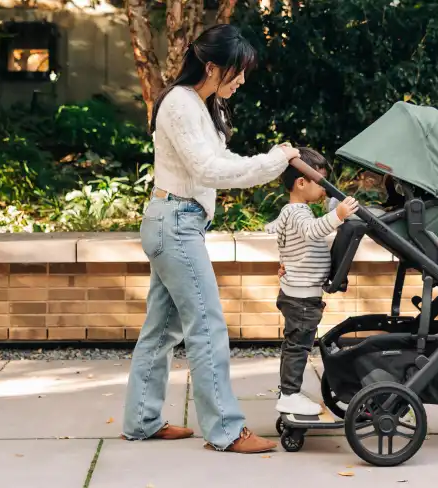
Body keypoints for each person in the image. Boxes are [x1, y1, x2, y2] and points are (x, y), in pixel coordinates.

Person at [122, 24, 301, 454]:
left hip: (177, 222)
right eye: (236, 72)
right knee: (206, 326)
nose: (241, 81)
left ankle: (141, 421)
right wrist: (275, 162)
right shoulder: (180, 106)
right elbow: (208, 170)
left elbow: (221, 161)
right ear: (212, 66)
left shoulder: (201, 105)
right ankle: (225, 429)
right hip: (175, 223)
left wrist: (270, 160)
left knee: (161, 330)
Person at [265, 148, 359, 415]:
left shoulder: (293, 211)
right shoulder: (298, 213)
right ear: (301, 182)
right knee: (298, 346)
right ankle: (290, 394)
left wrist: (288, 263)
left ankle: (289, 392)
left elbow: (284, 239)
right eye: (321, 182)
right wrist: (338, 214)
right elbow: (312, 231)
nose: (324, 189)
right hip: (302, 298)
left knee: (296, 344)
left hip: (299, 293)